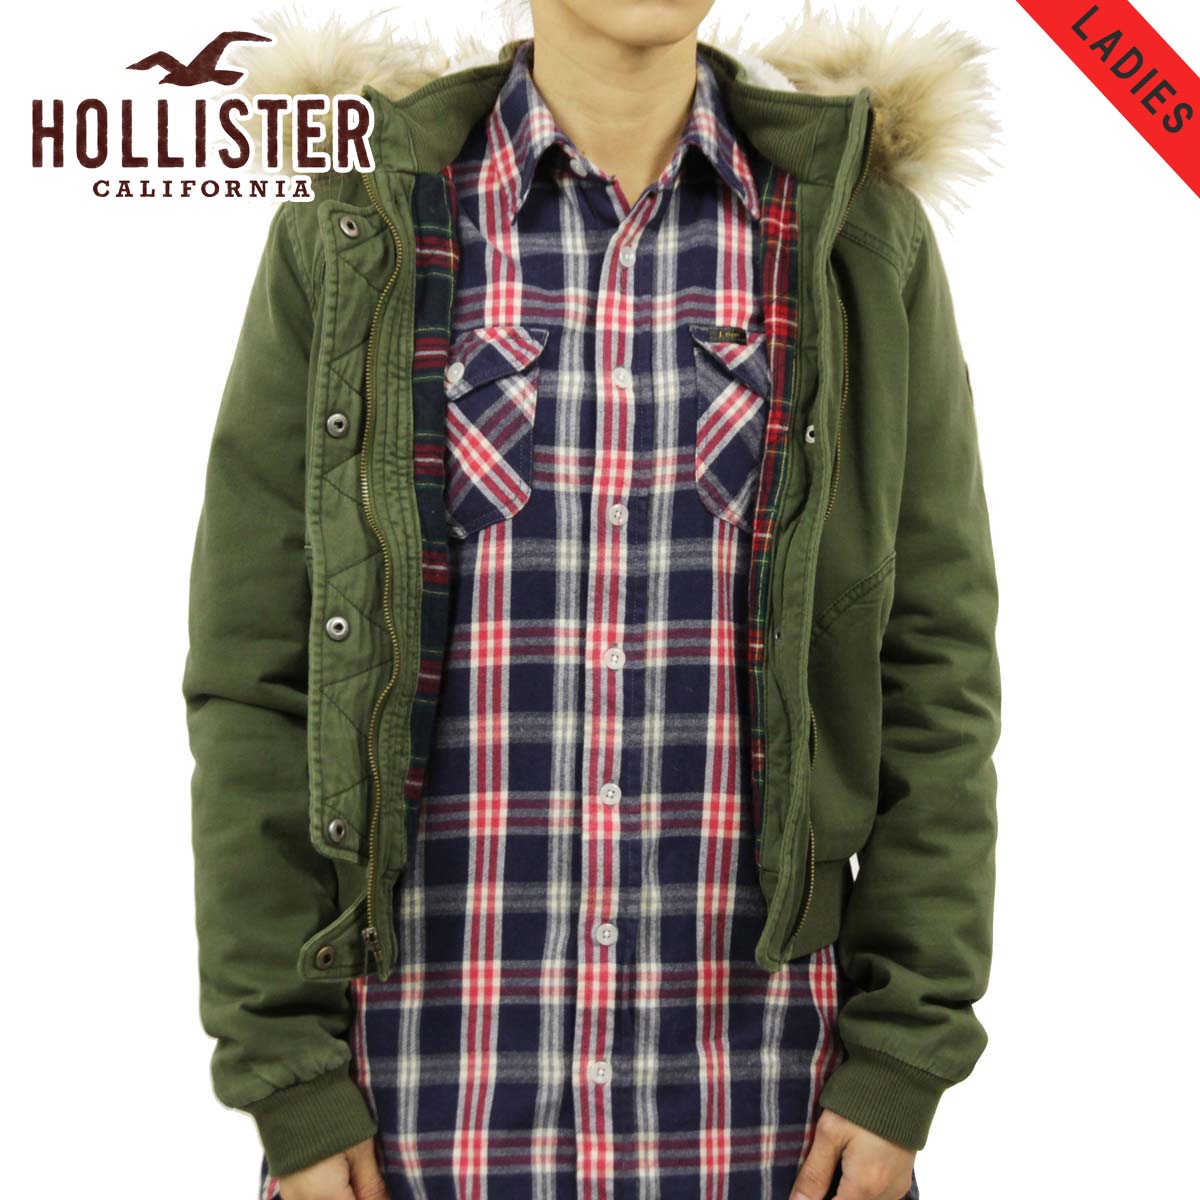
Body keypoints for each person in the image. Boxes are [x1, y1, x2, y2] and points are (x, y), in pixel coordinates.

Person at [181, 3, 1002, 1199]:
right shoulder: (357, 229)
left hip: (765, 1111)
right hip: (419, 1107)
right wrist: (287, 1076)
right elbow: (257, 673)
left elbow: (932, 670)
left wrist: (903, 1057)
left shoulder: (850, 238)